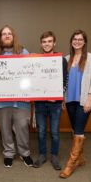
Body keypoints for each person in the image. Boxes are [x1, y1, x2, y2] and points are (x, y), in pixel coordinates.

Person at [0, 25, 33, 168]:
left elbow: (32, 73)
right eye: (4, 34)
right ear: (0, 37)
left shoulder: (23, 52)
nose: (7, 35)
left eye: (9, 33)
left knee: (22, 127)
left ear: (13, 36)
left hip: (21, 101)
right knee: (5, 129)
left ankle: (24, 153)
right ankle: (8, 153)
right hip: (1, 102)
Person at [59, 30, 91, 178]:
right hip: (70, 100)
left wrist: (90, 98)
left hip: (83, 101)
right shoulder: (67, 58)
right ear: (71, 41)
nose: (77, 41)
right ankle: (80, 157)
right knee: (75, 129)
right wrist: (63, 98)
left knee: (79, 130)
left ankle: (71, 163)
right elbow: (64, 81)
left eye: (80, 39)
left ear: (84, 42)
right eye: (75, 39)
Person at [33, 31, 68, 170]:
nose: (46, 44)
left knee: (54, 132)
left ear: (54, 43)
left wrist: (59, 95)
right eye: (44, 42)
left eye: (49, 41)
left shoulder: (61, 60)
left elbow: (65, 80)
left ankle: (54, 156)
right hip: (40, 102)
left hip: (55, 103)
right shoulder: (36, 59)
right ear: (41, 44)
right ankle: (42, 155)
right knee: (41, 131)